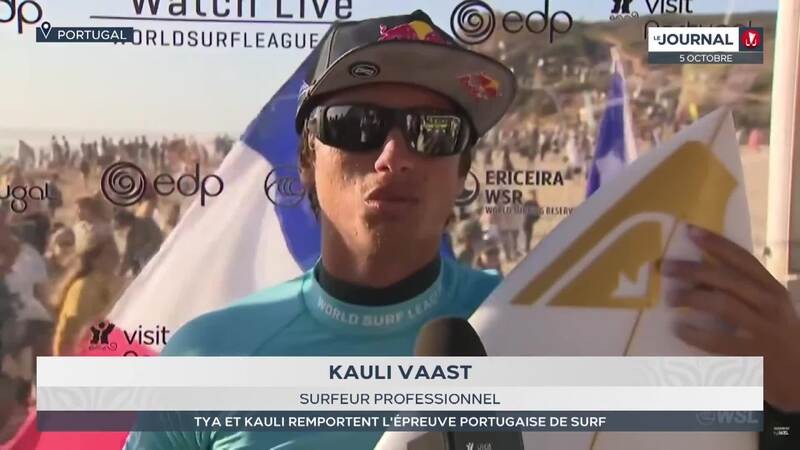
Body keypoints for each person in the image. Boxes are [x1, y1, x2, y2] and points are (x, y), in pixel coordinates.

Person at [125, 9, 517, 450]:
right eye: (354, 124)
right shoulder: (206, 357)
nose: (393, 157)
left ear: (462, 172)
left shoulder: (533, 322)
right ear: (307, 163)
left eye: (434, 131)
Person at [51, 221, 121, 356]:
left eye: (115, 250)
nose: (115, 256)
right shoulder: (83, 287)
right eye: (109, 252)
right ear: (94, 258)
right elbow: (70, 333)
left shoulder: (115, 282)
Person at [112, 208, 163, 277]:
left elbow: (157, 240)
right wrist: (121, 271)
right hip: (149, 266)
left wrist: (142, 254)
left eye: (121, 227)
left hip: (159, 258)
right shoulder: (131, 235)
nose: (122, 231)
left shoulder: (145, 222)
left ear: (125, 222)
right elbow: (128, 255)